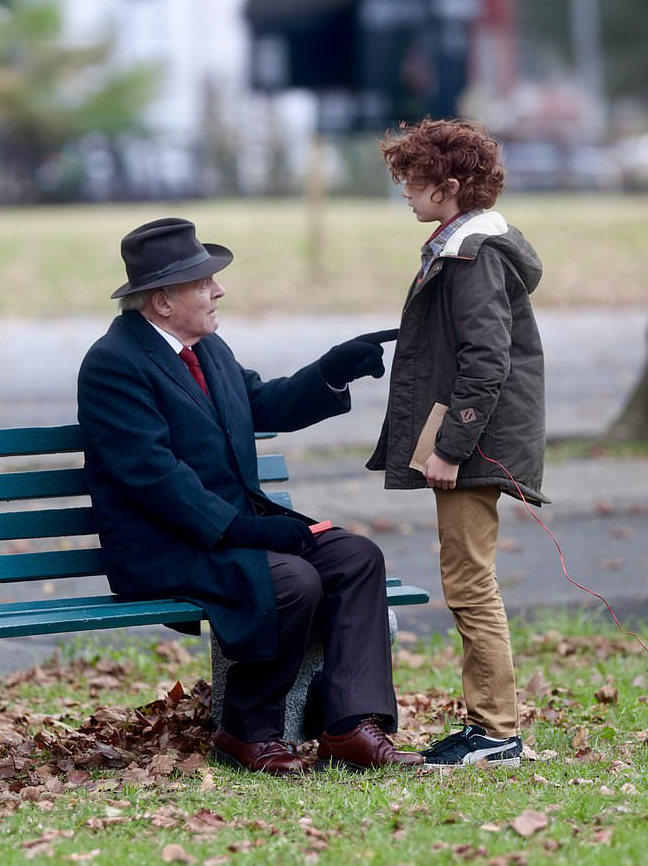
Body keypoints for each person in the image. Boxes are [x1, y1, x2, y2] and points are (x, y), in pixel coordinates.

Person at [76, 217, 423, 775]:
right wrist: (245, 530)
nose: (218, 290)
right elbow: (151, 474)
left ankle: (350, 727)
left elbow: (262, 403)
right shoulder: (114, 364)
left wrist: (332, 371)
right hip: (165, 547)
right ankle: (246, 729)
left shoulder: (208, 349)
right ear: (162, 300)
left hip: (232, 534)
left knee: (356, 558)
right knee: (292, 580)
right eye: (203, 283)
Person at [368, 118, 549, 768]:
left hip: (474, 443)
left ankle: (495, 731)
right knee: (468, 580)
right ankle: (486, 725)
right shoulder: (459, 245)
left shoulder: (472, 254)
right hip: (472, 437)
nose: (405, 194)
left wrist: (448, 447)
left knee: (470, 583)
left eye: (412, 182)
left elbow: (486, 358)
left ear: (447, 186)